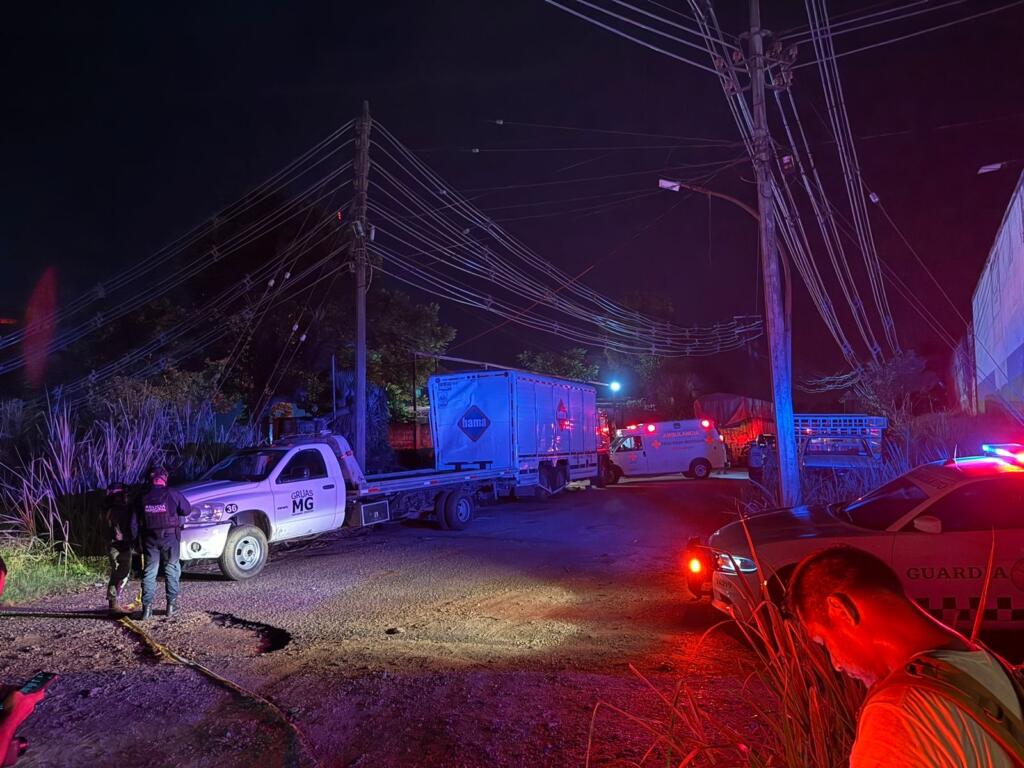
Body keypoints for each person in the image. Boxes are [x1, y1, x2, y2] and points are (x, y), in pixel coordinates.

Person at [788, 545, 1024, 767]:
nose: (836, 664)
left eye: (825, 641)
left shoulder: (899, 711)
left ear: (840, 610)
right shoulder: (986, 666)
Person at [137, 466, 191, 620]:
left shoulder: (142, 495)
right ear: (164, 478)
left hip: (149, 538)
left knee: (149, 571)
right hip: (170, 537)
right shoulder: (172, 493)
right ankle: (171, 607)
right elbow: (186, 510)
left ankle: (146, 610)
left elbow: (135, 519)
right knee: (172, 567)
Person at [104, 482, 137, 614]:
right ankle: (113, 604)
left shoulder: (108, 506)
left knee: (121, 572)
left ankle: (114, 602)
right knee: (120, 572)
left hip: (116, 543)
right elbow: (119, 530)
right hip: (119, 545)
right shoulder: (117, 508)